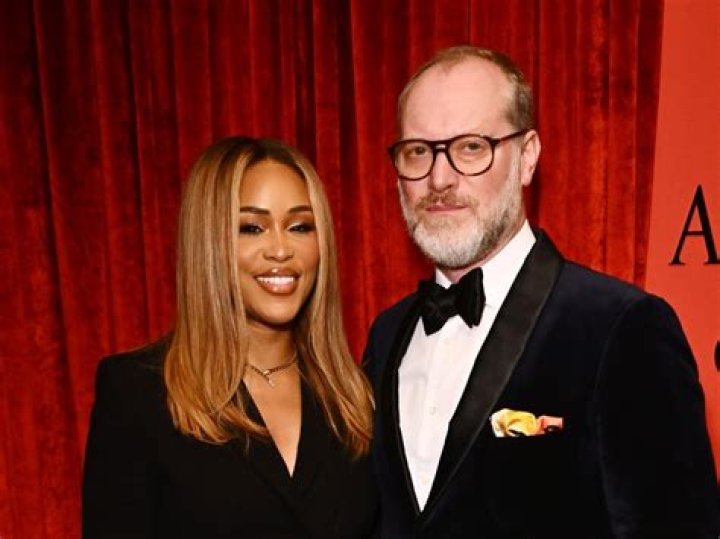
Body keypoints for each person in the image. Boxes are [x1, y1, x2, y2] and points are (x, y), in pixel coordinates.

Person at [363, 45, 719, 538]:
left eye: (471, 147)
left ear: (527, 158)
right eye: (418, 151)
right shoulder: (386, 337)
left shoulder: (622, 327)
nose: (439, 178)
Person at [83, 136, 377, 538]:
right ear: (208, 243)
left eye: (299, 226)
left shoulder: (353, 398)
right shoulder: (137, 393)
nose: (280, 249)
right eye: (251, 228)